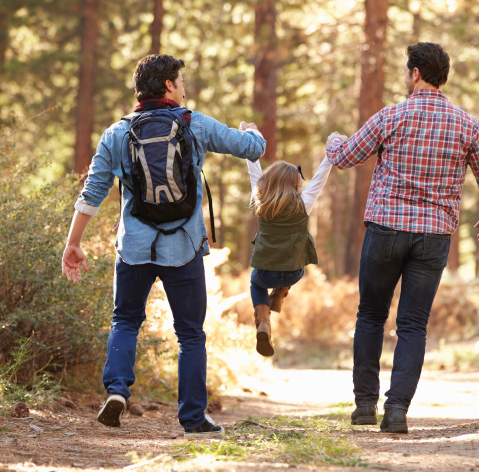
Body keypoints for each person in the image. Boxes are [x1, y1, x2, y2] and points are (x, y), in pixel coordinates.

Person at [61, 54, 266, 438]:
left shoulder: (117, 133)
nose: (185, 87)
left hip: (134, 248)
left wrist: (74, 243)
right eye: (181, 81)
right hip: (184, 249)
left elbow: (92, 194)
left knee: (125, 320)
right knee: (190, 334)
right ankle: (193, 419)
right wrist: (254, 134)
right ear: (169, 86)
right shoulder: (193, 123)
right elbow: (250, 149)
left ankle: (118, 390)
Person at [326, 42, 479, 434]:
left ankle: (364, 407)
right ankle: (397, 411)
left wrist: (333, 141)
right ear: (443, 77)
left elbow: (344, 158)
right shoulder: (467, 125)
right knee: (412, 325)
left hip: (386, 229)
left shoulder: (391, 116)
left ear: (414, 74)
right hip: (434, 236)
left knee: (371, 314)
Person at [244, 141, 333, 357]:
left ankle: (264, 322)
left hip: (266, 272)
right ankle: (279, 294)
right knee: (291, 266)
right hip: (294, 272)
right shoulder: (304, 202)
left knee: (256, 284)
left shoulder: (260, 200)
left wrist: (250, 134)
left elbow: (253, 168)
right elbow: (321, 177)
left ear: (269, 181)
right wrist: (331, 148)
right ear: (295, 183)